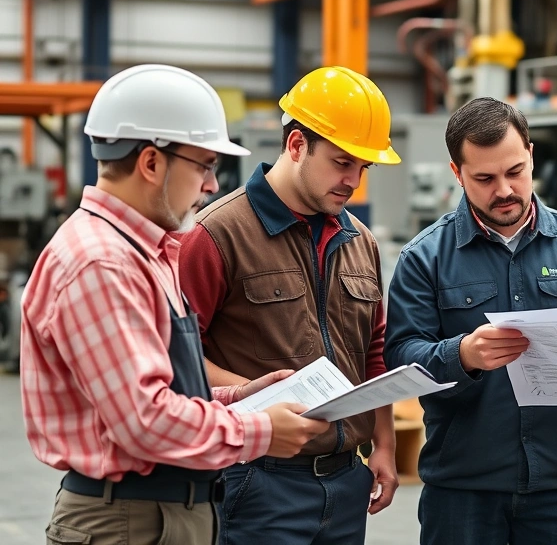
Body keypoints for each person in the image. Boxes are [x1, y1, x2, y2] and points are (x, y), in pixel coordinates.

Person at [20, 64, 330, 545]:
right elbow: (145, 421)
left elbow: (163, 388)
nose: (211, 184)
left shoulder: (149, 253)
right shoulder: (101, 264)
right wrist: (259, 431)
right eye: (204, 164)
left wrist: (239, 397)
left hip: (162, 512)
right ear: (151, 163)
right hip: (129, 521)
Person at [384, 97, 557, 545]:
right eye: (484, 178)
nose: (504, 189)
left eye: (515, 171)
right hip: (462, 489)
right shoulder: (424, 258)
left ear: (531, 156)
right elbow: (401, 358)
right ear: (457, 174)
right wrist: (462, 354)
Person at [177, 66, 401, 545]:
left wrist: (384, 444)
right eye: (343, 162)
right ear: (297, 145)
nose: (354, 182)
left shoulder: (359, 241)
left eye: (364, 168)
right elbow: (176, 357)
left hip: (347, 482)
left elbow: (374, 352)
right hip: (256, 480)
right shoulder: (216, 234)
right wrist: (249, 392)